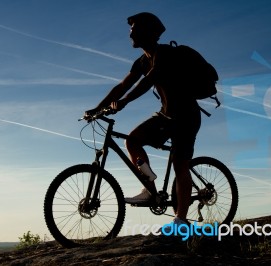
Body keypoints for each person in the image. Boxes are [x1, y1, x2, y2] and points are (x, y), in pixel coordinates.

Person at [85, 12, 201, 226]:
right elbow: (122, 86)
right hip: (166, 116)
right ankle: (150, 190)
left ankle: (181, 220)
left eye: (134, 30)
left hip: (186, 117)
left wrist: (125, 102)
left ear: (148, 32)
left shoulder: (164, 54)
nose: (130, 34)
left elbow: (149, 81)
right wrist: (97, 108)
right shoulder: (141, 61)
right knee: (132, 140)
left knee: (179, 164)